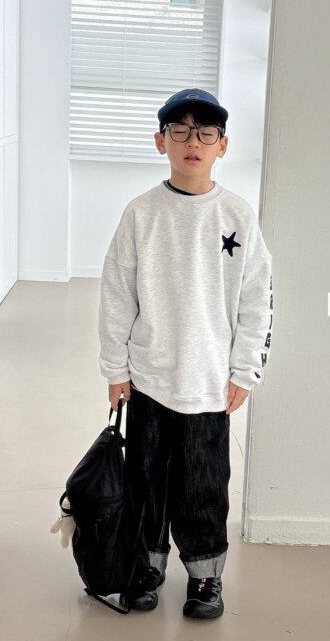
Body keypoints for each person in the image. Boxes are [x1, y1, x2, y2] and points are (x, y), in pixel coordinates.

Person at [97, 88, 273, 619]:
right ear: (161, 142)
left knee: (204, 483)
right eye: (180, 131)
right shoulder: (141, 214)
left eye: (205, 133)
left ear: (222, 145)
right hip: (149, 377)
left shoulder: (237, 215)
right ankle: (146, 565)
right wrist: (115, 368)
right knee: (145, 479)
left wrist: (245, 369)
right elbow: (117, 295)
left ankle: (204, 575)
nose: (192, 142)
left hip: (209, 380)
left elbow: (257, 297)